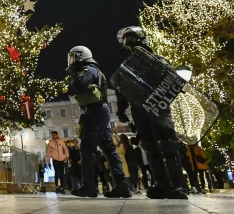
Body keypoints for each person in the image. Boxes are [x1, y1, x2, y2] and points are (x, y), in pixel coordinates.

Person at [115, 27, 188, 199]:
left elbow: (170, 78)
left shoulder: (156, 59)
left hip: (158, 107)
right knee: (149, 146)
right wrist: (121, 109)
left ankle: (176, 185)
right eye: (125, 40)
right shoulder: (128, 65)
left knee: (167, 144)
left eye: (130, 39)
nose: (127, 44)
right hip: (139, 110)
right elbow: (122, 87)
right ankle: (160, 183)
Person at [66, 45, 131, 198]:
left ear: (81, 56)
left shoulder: (89, 70)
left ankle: (89, 187)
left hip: (95, 111)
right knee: (108, 149)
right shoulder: (93, 70)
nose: (71, 61)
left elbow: (79, 85)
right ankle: (121, 186)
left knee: (87, 149)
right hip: (99, 111)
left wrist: (73, 76)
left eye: (73, 57)